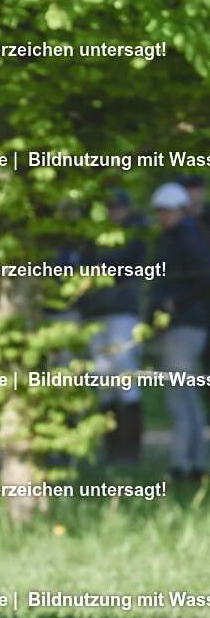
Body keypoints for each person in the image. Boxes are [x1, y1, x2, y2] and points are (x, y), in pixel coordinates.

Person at [81, 190, 147, 464]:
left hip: (122, 313)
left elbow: (123, 268)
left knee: (126, 380)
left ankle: (131, 452)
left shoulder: (136, 235)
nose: (113, 212)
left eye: (117, 207)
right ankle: (112, 450)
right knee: (104, 381)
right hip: (98, 314)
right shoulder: (97, 237)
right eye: (110, 207)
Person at [150, 182, 210, 483]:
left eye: (167, 210)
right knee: (187, 396)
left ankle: (183, 465)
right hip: (185, 327)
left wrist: (175, 302)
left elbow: (203, 277)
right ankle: (193, 463)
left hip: (185, 326)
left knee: (179, 397)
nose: (162, 215)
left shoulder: (185, 236)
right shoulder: (176, 237)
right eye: (159, 210)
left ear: (179, 210)